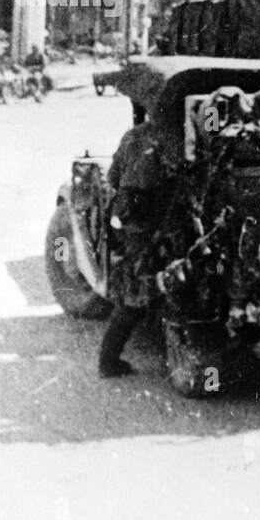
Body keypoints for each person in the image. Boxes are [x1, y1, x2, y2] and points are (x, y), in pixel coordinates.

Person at [98, 105, 167, 377]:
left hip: (126, 214)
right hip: (146, 218)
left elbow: (113, 177)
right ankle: (108, 361)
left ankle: (109, 360)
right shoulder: (171, 137)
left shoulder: (132, 135)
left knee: (135, 285)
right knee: (135, 293)